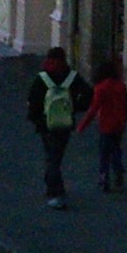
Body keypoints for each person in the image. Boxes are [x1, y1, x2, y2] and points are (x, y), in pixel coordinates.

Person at [28, 47, 89, 207]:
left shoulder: (42, 78)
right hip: (65, 124)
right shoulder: (72, 77)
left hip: (46, 124)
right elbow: (89, 95)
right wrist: (73, 108)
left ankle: (54, 190)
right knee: (56, 156)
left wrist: (37, 120)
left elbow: (33, 102)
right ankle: (54, 187)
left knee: (51, 156)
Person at [81, 54, 127, 194]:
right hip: (119, 125)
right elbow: (125, 106)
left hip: (106, 125)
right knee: (116, 149)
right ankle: (119, 172)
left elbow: (94, 109)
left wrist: (82, 126)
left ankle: (104, 178)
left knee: (104, 153)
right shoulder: (121, 86)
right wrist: (124, 121)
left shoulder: (101, 88)